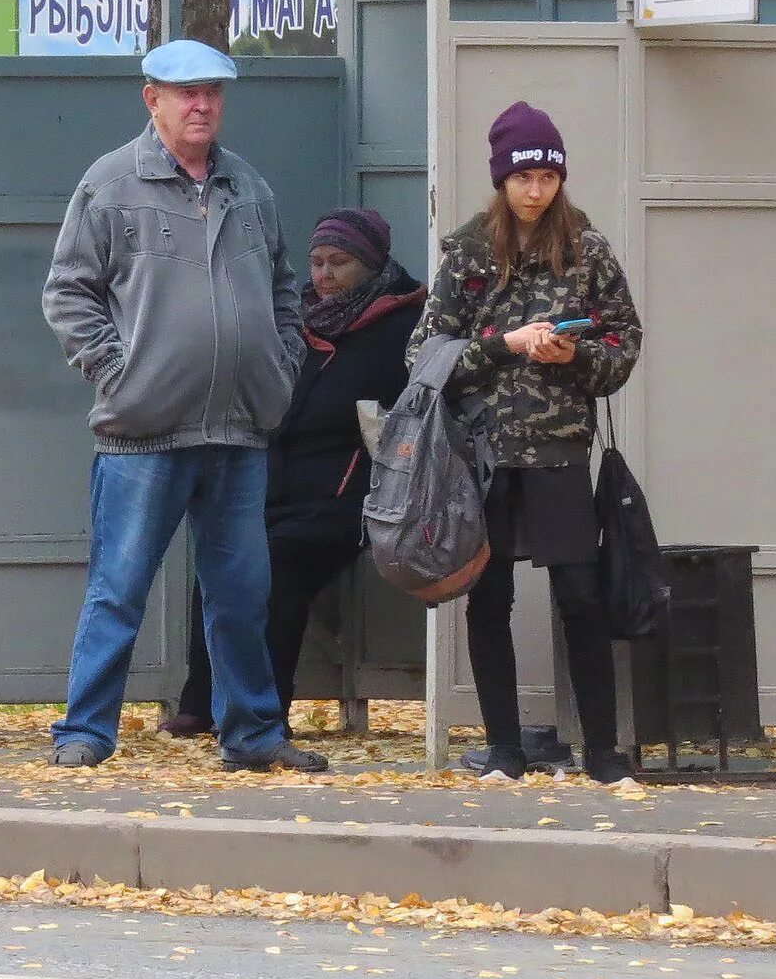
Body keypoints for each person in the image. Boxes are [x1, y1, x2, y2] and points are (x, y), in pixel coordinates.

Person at [40, 39, 327, 774]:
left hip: (239, 430)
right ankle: (85, 733)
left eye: (212, 92)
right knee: (119, 589)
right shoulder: (110, 184)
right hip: (144, 433)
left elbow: (287, 289)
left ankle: (254, 733)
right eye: (184, 92)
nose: (201, 104)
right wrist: (117, 374)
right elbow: (68, 293)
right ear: (152, 99)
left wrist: (279, 367)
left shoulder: (250, 190)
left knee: (241, 596)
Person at [408, 101, 643, 786]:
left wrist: (571, 356)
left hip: (559, 449)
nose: (536, 191)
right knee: (489, 599)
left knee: (580, 595)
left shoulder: (588, 251)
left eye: (547, 177)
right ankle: (504, 751)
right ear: (501, 181)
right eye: (523, 178)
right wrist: (501, 346)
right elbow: (424, 355)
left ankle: (602, 752)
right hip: (485, 454)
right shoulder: (470, 253)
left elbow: (624, 347)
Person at [161, 208, 424, 739]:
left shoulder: (403, 325)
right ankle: (201, 699)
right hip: (270, 483)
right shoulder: (300, 318)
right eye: (317, 262)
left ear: (371, 265)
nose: (324, 275)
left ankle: (264, 710)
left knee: (276, 571)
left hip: (348, 497)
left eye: (340, 263)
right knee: (221, 557)